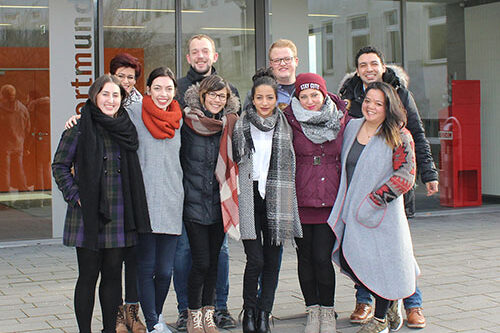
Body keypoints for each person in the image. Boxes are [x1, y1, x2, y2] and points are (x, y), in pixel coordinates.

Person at [339, 46, 438, 329]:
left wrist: (429, 172)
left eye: (373, 63)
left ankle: (401, 308)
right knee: (359, 256)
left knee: (395, 255)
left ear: (383, 66)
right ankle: (370, 302)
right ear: (357, 70)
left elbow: (411, 155)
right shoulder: (350, 110)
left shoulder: (399, 118)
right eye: (362, 64)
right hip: (354, 204)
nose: (368, 68)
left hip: (384, 206)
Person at [52, 74, 151, 333]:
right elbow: (60, 166)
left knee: (112, 278)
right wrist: (76, 195)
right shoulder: (79, 128)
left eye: (116, 95)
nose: (110, 100)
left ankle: (109, 330)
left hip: (120, 211)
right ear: (95, 96)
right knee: (87, 277)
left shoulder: (127, 128)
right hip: (88, 214)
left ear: (122, 99)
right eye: (105, 94)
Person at [328, 81, 419, 333]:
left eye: (378, 103)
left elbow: (406, 176)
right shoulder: (352, 127)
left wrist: (374, 200)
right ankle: (389, 301)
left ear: (388, 107)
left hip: (383, 214)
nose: (371, 107)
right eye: (368, 100)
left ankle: (381, 319)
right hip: (351, 211)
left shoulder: (398, 134)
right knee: (351, 261)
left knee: (384, 264)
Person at [174, 34, 239, 331]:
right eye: (195, 52)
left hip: (219, 198)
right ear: (188, 57)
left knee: (217, 256)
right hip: (191, 196)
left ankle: (216, 310)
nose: (200, 56)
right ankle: (187, 311)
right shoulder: (178, 92)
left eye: (205, 51)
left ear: (214, 56)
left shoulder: (230, 103)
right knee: (190, 255)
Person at [233, 68, 302, 333]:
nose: (264, 103)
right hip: (250, 198)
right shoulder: (241, 123)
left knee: (273, 262)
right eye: (259, 97)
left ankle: (264, 313)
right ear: (253, 98)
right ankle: (249, 310)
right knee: (256, 260)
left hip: (277, 198)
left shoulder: (285, 125)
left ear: (276, 99)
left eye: (269, 98)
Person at [282, 73, 348, 333]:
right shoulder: (289, 120)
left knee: (322, 257)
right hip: (299, 199)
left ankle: (328, 311)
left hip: (330, 200)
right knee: (305, 258)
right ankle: (313, 310)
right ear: (297, 97)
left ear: (324, 94)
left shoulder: (342, 120)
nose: (310, 101)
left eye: (315, 95)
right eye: (304, 95)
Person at [130, 67, 183, 333]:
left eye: (169, 88)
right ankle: (153, 323)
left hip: (172, 200)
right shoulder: (133, 114)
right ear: (148, 89)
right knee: (146, 266)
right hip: (145, 202)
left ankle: (157, 315)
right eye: (158, 88)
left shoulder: (180, 119)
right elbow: (103, 118)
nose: (163, 94)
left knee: (165, 270)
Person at [243, 39, 299, 111]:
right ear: (271, 64)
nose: (282, 63)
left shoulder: (308, 90)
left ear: (296, 61)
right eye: (277, 60)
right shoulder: (255, 93)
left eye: (287, 59)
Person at [0, 84, 31, 192]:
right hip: (19, 142)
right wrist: (22, 138)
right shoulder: (22, 108)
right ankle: (23, 189)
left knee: (5, 170)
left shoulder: (1, 109)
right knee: (19, 168)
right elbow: (28, 128)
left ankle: (4, 192)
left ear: (3, 95)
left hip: (4, 144)